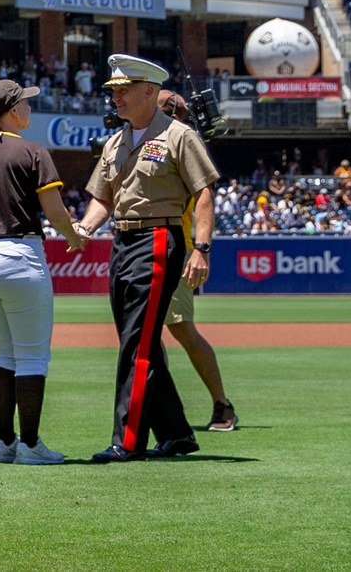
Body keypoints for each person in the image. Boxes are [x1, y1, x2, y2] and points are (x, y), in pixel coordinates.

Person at [75, 55, 220, 463]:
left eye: (123, 90)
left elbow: (204, 193)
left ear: (150, 92)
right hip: (122, 241)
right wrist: (85, 228)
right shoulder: (117, 141)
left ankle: (129, 440)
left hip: (159, 238)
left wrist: (201, 248)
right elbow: (102, 198)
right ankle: (176, 432)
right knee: (137, 339)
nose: (116, 97)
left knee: (136, 342)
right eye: (113, 91)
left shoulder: (179, 135)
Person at [0, 80, 87, 465]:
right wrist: (74, 237)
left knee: (6, 354)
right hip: (18, 255)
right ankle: (30, 445)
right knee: (32, 358)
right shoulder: (33, 151)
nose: (30, 108)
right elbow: (55, 211)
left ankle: (4, 444)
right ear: (12, 111)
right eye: (25, 102)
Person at [157, 90, 237, 432]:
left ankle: (222, 404)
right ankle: (157, 403)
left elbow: (205, 197)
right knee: (142, 334)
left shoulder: (183, 143)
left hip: (177, 245)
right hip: (142, 247)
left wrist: (200, 249)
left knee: (182, 329)